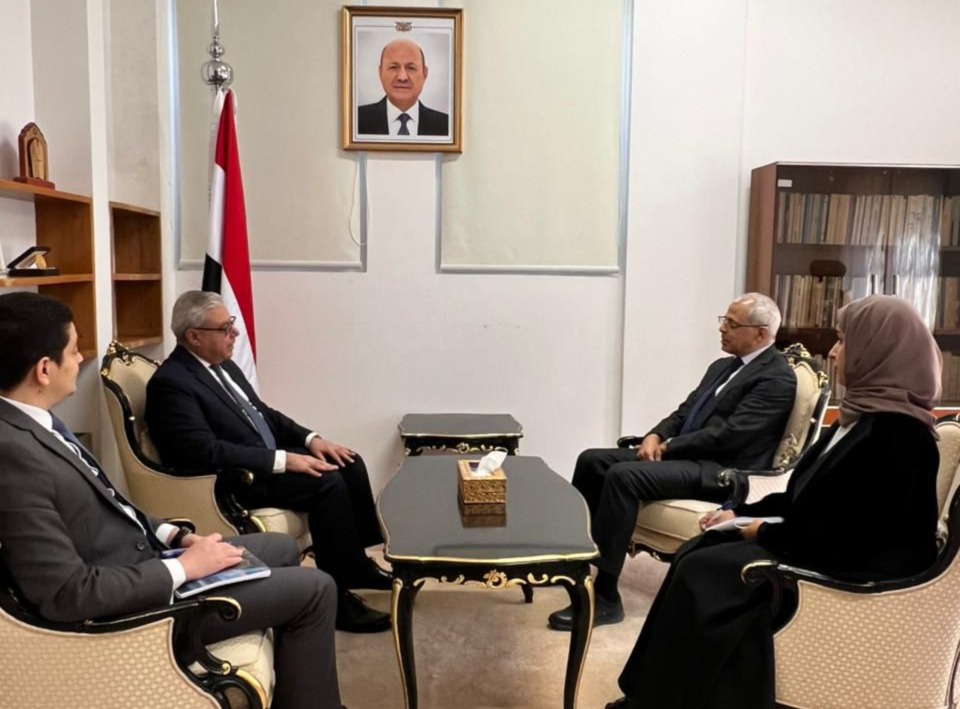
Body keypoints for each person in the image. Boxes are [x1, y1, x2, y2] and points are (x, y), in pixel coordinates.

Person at [0, 292, 345, 709]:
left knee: (281, 547)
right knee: (316, 589)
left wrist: (176, 537)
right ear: (43, 369)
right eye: (74, 350)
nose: (79, 359)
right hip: (129, 609)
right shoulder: (13, 455)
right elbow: (68, 593)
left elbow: (110, 503)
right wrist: (184, 568)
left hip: (144, 558)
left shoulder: (36, 422)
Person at [605, 294, 942, 709]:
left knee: (705, 571)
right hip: (817, 543)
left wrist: (761, 531)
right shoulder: (862, 419)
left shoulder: (900, 436)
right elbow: (808, 497)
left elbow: (857, 537)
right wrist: (741, 512)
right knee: (700, 550)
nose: (833, 352)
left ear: (879, 351)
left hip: (848, 568)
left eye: (844, 341)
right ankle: (649, 694)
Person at [145, 290, 391, 634]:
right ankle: (337, 598)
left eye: (231, 324)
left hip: (261, 459)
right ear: (194, 337)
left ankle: (355, 566)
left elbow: (264, 414)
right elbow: (202, 451)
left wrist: (311, 440)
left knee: (348, 462)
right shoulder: (172, 384)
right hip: (232, 479)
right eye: (224, 328)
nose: (235, 333)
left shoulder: (222, 365)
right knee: (326, 483)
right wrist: (283, 460)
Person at [549, 293, 796, 631]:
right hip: (688, 455)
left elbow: (730, 436)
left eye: (732, 324)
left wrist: (669, 447)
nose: (722, 329)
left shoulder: (777, 378)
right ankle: (572, 566)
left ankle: (606, 598)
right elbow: (684, 412)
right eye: (723, 320)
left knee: (623, 476)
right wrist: (655, 436)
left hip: (721, 470)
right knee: (592, 460)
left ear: (761, 334)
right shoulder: (723, 366)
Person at [357, 38, 449, 136]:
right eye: (393, 67)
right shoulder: (356, 119)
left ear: (425, 73)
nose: (402, 77)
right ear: (380, 72)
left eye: (411, 68)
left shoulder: (447, 125)